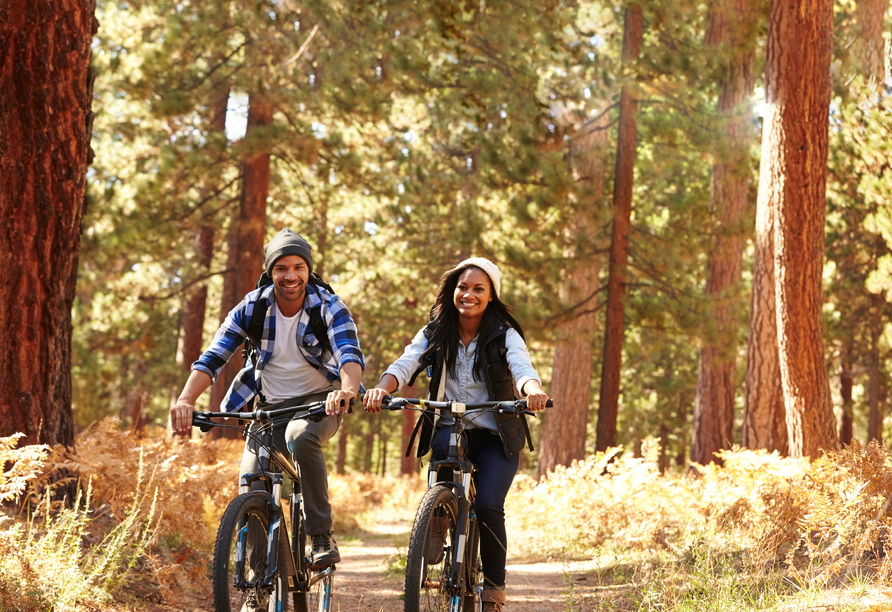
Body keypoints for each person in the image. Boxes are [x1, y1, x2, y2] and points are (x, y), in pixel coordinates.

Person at [170, 228, 363, 570]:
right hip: (269, 407)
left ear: (309, 270)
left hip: (321, 402)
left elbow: (348, 352)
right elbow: (214, 356)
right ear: (270, 272)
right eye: (281, 268)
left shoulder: (329, 306)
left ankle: (320, 534)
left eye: (298, 267)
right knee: (253, 484)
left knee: (300, 436)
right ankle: (259, 584)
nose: (290, 276)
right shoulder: (254, 307)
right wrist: (186, 398)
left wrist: (347, 390)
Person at [363, 257, 548, 612]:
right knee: (443, 468)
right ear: (453, 291)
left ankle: (493, 591)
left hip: (495, 433)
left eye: (479, 289)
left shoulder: (505, 334)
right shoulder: (436, 330)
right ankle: (438, 516)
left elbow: (522, 367)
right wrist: (382, 388)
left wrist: (531, 390)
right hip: (449, 426)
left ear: (491, 296)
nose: (469, 294)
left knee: (489, 506)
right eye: (463, 287)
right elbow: (407, 362)